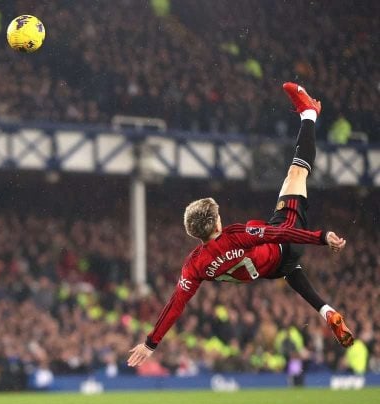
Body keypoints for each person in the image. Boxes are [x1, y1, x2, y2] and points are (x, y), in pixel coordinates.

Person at [128, 83, 354, 367]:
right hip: (285, 242)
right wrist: (321, 237)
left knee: (291, 271)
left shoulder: (195, 265)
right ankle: (309, 113)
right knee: (296, 174)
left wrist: (151, 343)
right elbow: (279, 232)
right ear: (217, 221)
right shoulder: (235, 235)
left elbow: (176, 304)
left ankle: (327, 311)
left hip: (272, 269)